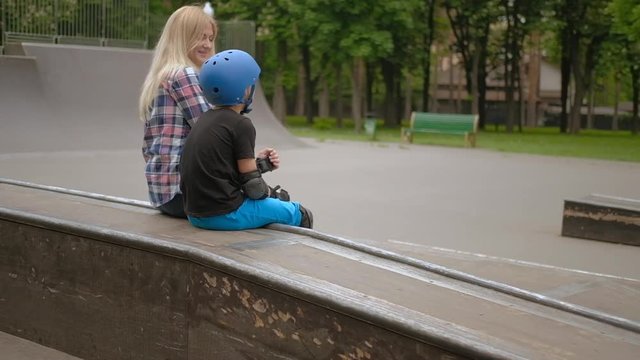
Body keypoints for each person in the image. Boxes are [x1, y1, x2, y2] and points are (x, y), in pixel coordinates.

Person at [180, 49, 313, 230]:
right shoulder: (241, 124)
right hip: (224, 214)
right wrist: (275, 195)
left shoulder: (204, 120)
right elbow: (254, 188)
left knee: (271, 208)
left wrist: (260, 164)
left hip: (195, 215)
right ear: (245, 89)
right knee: (298, 212)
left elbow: (222, 170)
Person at [138, 5, 217, 218]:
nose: (207, 44)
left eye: (210, 38)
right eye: (200, 37)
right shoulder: (184, 74)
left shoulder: (162, 75)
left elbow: (147, 147)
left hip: (164, 194)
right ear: (182, 38)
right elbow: (212, 130)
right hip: (185, 193)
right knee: (270, 208)